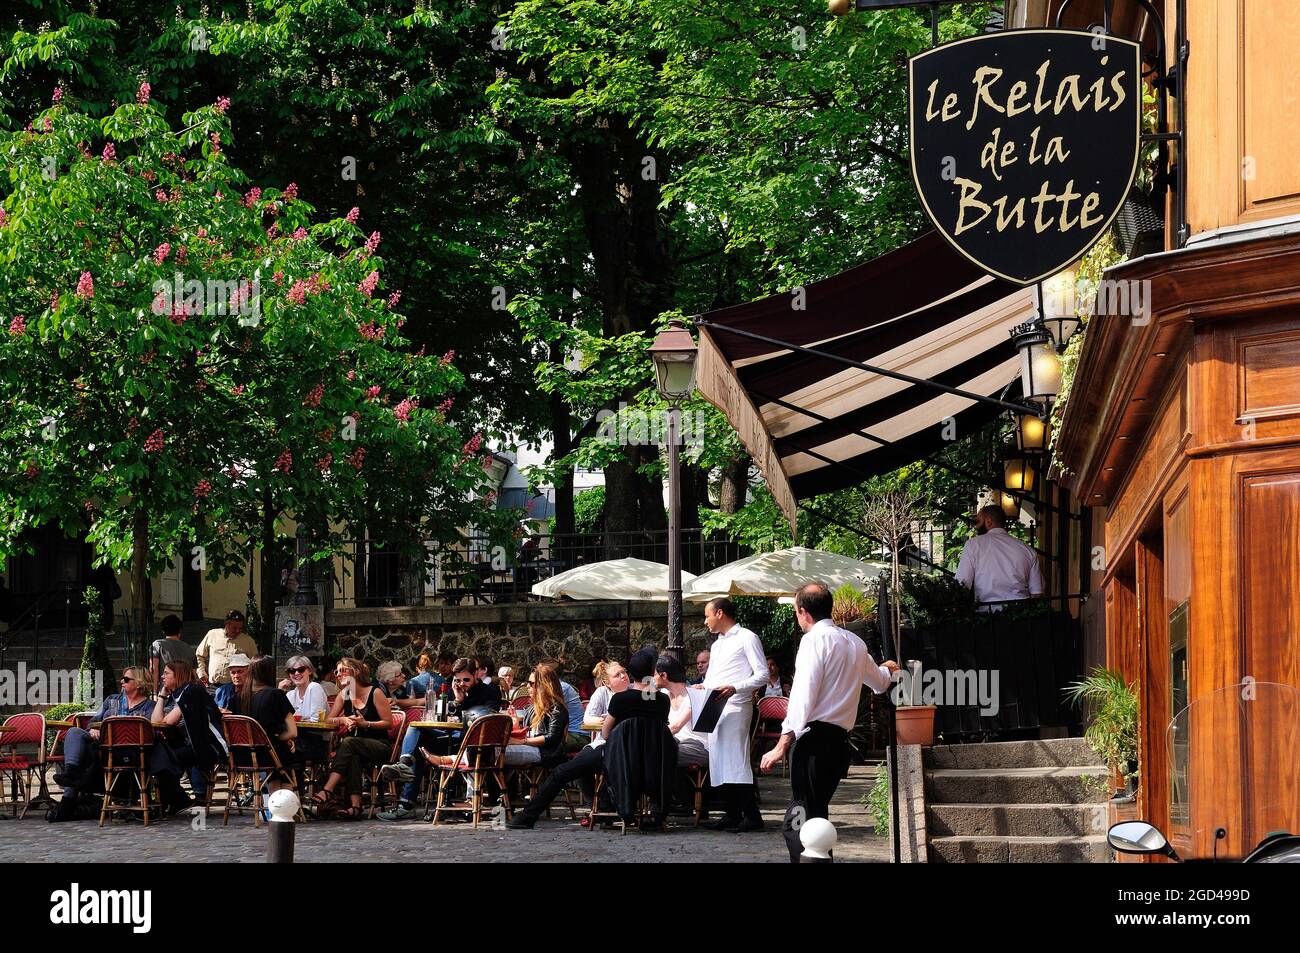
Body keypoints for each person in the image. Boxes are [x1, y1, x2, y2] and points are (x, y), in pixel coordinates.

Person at [760, 581, 898, 863]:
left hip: (812, 743)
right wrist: (889, 668)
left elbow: (802, 696)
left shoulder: (813, 642)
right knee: (816, 816)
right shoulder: (855, 643)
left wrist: (782, 743)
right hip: (838, 746)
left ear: (802, 612)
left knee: (798, 823)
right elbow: (881, 683)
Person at [505, 658, 634, 830]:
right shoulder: (602, 693)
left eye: (624, 672)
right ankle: (601, 808)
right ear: (606, 681)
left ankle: (608, 807)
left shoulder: (638, 692)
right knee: (574, 767)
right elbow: (587, 719)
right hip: (603, 744)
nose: (624, 676)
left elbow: (552, 737)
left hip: (611, 744)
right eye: (618, 674)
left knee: (569, 766)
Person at [377, 657, 490, 820]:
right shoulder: (453, 690)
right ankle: (404, 764)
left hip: (471, 742)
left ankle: (407, 803)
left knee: (419, 749)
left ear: (475, 676)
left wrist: (460, 702)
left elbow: (484, 718)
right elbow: (446, 717)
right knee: (416, 728)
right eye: (458, 680)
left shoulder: (488, 691)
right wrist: (456, 701)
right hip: (450, 736)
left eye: (466, 679)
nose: (462, 683)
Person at [701, 597, 768, 832]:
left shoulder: (747, 637)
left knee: (736, 760)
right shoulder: (717, 644)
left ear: (719, 613)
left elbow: (762, 675)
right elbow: (713, 677)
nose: (705, 620)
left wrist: (735, 687)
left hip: (736, 706)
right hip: (715, 708)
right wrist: (703, 686)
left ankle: (752, 816)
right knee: (719, 761)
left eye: (707, 615)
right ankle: (731, 813)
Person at [311, 657, 395, 820]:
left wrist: (365, 724)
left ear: (355, 672)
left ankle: (328, 789)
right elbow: (328, 720)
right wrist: (342, 720)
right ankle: (356, 807)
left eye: (343, 670)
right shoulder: (344, 695)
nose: (338, 674)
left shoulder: (375, 692)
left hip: (379, 745)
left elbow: (389, 723)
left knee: (348, 743)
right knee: (352, 754)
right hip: (354, 747)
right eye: (337, 671)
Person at [53, 667, 154, 799]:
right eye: (122, 678)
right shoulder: (112, 700)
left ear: (140, 683)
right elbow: (94, 720)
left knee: (85, 752)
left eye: (127, 679)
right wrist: (93, 728)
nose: (122, 681)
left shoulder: (149, 706)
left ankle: (68, 800)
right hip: (103, 746)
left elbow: (150, 732)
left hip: (130, 751)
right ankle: (70, 772)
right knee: (74, 732)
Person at [150, 660, 229, 816]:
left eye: (166, 673)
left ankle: (177, 800)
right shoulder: (177, 694)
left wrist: (163, 697)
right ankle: (174, 801)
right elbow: (155, 721)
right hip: (190, 746)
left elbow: (167, 721)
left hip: (210, 746)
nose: (162, 677)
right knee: (159, 758)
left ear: (178, 675)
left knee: (162, 760)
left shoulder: (191, 691)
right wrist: (161, 696)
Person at [229, 655, 299, 798]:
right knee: (296, 757)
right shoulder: (276, 694)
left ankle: (272, 805)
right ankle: (284, 807)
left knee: (278, 761)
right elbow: (292, 732)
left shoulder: (238, 697)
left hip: (241, 755)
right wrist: (282, 739)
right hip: (268, 754)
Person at [954, 504, 1045, 610]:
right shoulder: (1028, 550)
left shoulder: (973, 545)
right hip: (1021, 615)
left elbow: (961, 585)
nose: (976, 526)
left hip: (988, 616)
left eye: (978, 522)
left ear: (988, 521)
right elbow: (1037, 593)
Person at [655, 656, 708, 766]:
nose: (651, 678)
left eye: (654, 674)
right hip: (675, 742)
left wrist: (652, 738)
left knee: (656, 753)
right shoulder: (664, 695)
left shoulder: (694, 695)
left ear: (664, 675)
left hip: (698, 746)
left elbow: (676, 726)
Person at [279, 654, 331, 763]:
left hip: (316, 741)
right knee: (274, 746)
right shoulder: (290, 695)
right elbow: (280, 719)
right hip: (297, 739)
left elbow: (315, 720)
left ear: (310, 671)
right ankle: (286, 779)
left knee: (282, 749)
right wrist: (279, 693)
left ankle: (290, 779)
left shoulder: (314, 687)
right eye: (292, 671)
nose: (296, 673)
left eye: (301, 669)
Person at [195, 609, 257, 692]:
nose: (237, 631)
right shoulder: (212, 634)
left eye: (240, 628)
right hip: (212, 686)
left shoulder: (248, 641)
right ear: (227, 624)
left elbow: (255, 664)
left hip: (235, 688)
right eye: (234, 628)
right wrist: (201, 671)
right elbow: (200, 655)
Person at [149, 615, 195, 690]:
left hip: (165, 691)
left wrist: (154, 692)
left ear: (163, 631)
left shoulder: (158, 645)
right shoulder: (189, 649)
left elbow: (154, 669)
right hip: (185, 691)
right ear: (180, 630)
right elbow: (193, 674)